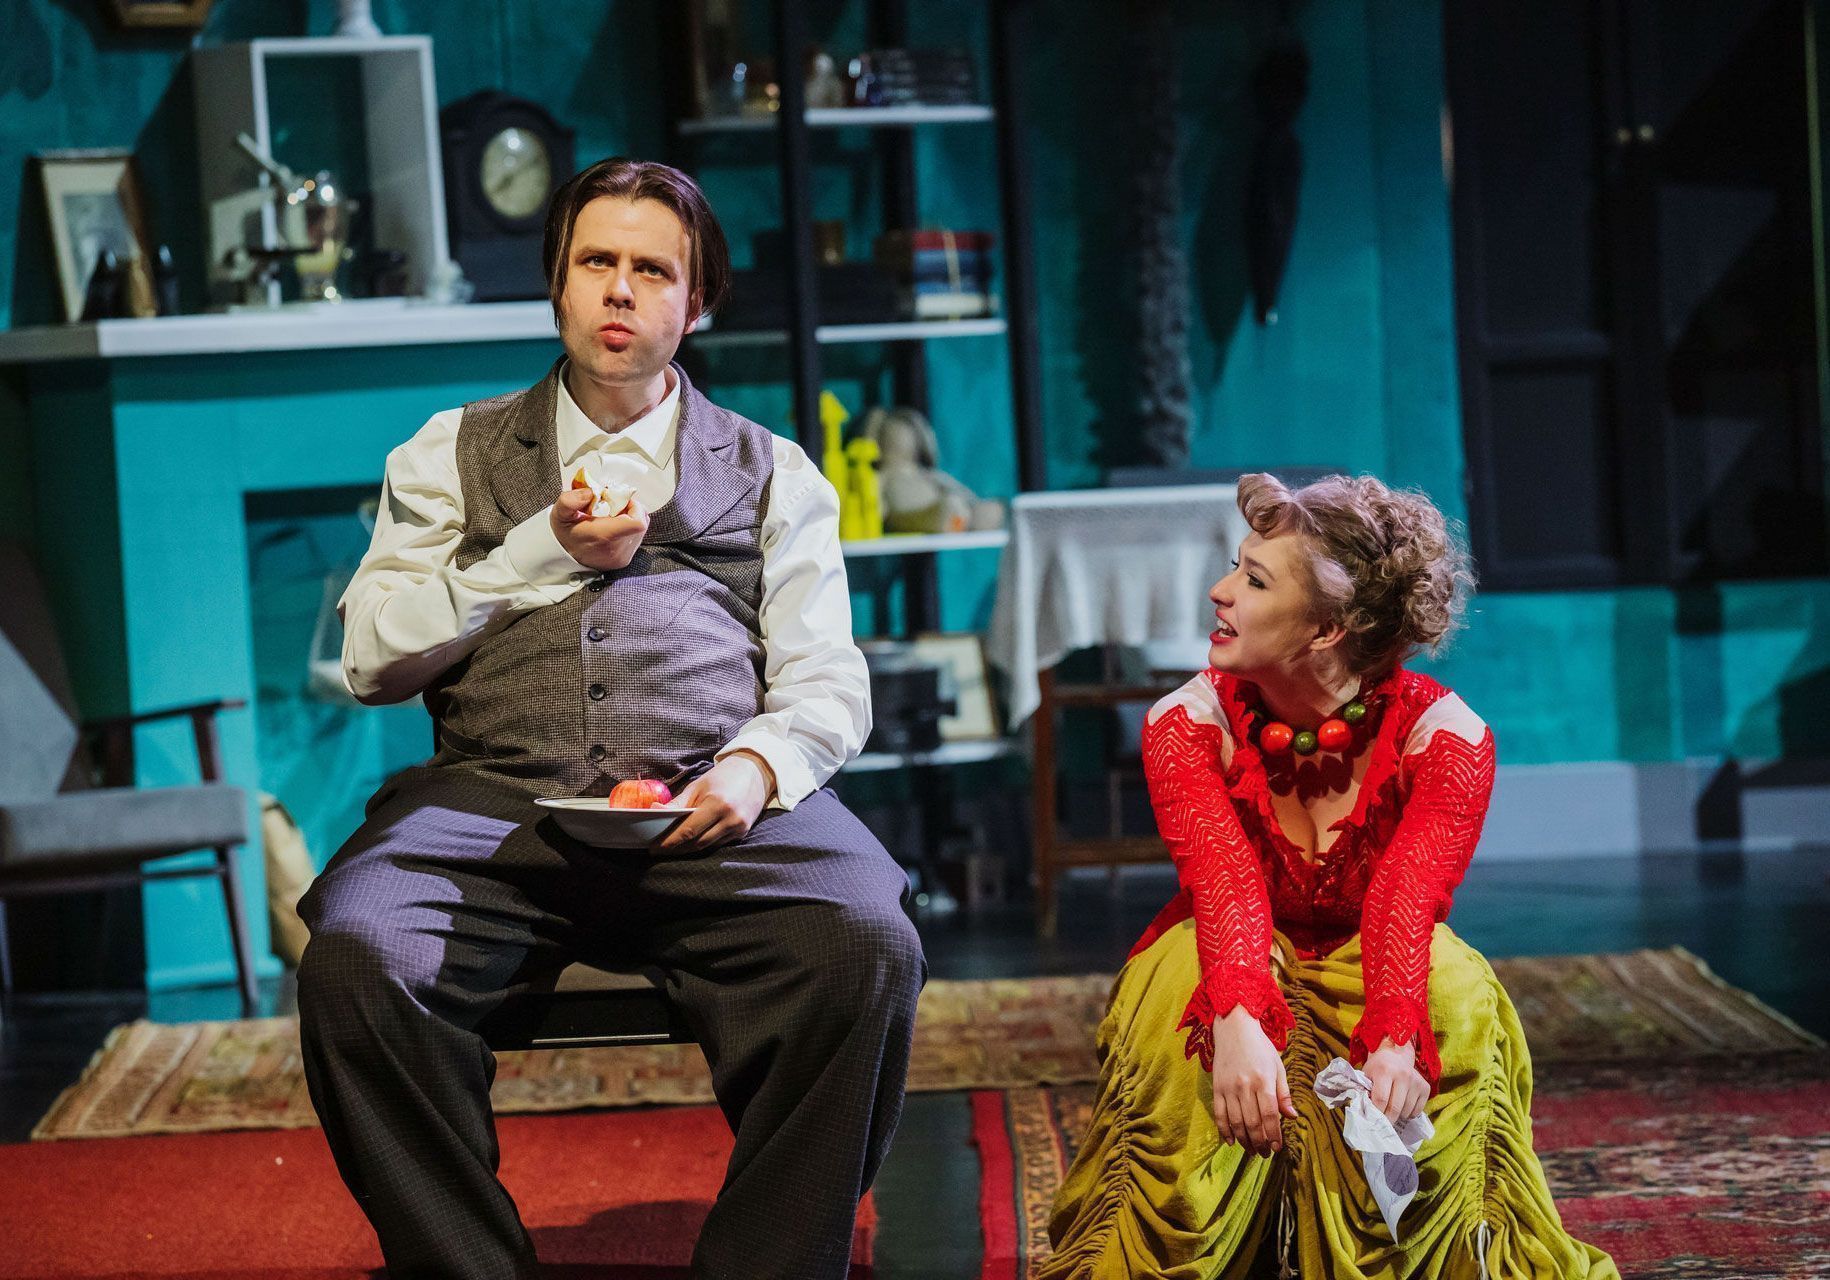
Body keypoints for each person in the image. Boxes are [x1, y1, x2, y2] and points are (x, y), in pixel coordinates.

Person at [295, 157, 926, 1280]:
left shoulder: (775, 471)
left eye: (653, 270)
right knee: (357, 953)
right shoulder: (447, 452)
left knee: (865, 940)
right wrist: (532, 551)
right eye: (596, 261)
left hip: (715, 805)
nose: (620, 289)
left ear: (698, 300)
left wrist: (756, 769)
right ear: (558, 281)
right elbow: (370, 660)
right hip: (492, 809)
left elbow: (829, 679)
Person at [1039, 474, 1618, 1279]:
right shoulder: (1186, 723)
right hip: (1236, 934)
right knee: (1181, 1006)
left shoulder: (1448, 737)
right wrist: (1237, 1019)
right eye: (1235, 567)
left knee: (1454, 1000)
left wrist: (1394, 1034)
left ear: (1326, 629)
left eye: (1254, 580)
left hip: (1374, 939)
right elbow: (1224, 881)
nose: (1220, 592)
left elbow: (1406, 896)